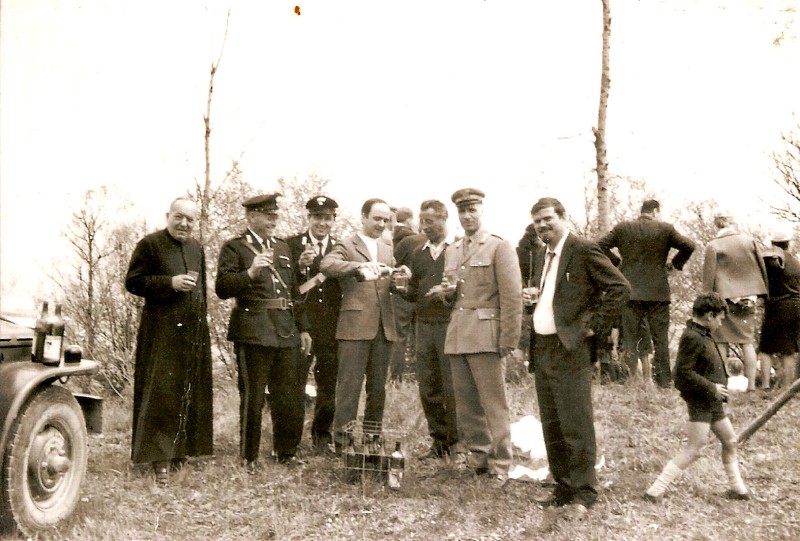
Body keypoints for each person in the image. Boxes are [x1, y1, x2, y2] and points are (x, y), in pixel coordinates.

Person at [527, 197, 629, 510]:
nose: (542, 226)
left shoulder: (583, 249)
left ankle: (585, 492)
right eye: (537, 222)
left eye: (547, 219)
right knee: (552, 421)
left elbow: (620, 288)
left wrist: (592, 326)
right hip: (543, 348)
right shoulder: (544, 255)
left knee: (575, 422)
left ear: (562, 217)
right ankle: (563, 487)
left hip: (570, 349)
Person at [215, 193, 312, 469]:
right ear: (252, 217)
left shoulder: (282, 247)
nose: (274, 221)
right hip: (253, 330)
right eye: (268, 216)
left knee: (290, 394)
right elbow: (222, 288)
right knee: (254, 396)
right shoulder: (235, 248)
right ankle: (249, 457)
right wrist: (250, 273)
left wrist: (303, 328)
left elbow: (294, 291)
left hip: (285, 329)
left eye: (275, 216)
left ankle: (286, 453)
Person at [125, 196, 213, 485]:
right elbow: (133, 282)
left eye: (190, 219)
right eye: (179, 217)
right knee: (162, 393)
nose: (184, 223)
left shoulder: (197, 248)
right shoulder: (150, 244)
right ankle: (159, 459)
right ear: (168, 216)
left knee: (188, 391)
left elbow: (201, 290)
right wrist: (169, 283)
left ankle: (180, 452)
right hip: (161, 332)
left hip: (192, 332)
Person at [439, 188, 522, 484]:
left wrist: (508, 339)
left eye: (472, 210)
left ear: (482, 210)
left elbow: (512, 297)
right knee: (467, 404)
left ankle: (501, 463)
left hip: (487, 333)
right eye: (462, 211)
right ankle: (478, 457)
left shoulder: (499, 246)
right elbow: (452, 295)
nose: (467, 216)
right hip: (459, 332)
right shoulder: (453, 249)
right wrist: (447, 295)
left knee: (493, 403)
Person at [644, 292, 750, 502]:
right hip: (701, 402)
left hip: (713, 403)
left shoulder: (704, 334)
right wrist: (712, 388)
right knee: (694, 450)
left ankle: (739, 490)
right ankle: (654, 492)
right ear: (710, 315)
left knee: (730, 441)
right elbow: (681, 374)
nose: (721, 323)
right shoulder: (692, 337)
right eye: (720, 318)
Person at [320, 198, 403, 449]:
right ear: (363, 217)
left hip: (383, 326)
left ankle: (372, 440)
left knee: (378, 389)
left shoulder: (388, 247)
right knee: (349, 388)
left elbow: (389, 281)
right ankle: (342, 442)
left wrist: (400, 275)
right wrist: (359, 266)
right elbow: (327, 265)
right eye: (376, 218)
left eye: (385, 220)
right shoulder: (347, 243)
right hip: (354, 326)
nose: (381, 224)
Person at [598, 199, 696, 387]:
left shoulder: (623, 228)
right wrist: (674, 264)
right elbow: (689, 246)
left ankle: (629, 381)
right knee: (660, 339)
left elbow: (598, 246)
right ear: (656, 211)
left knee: (630, 338)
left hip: (630, 291)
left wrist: (618, 263)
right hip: (658, 293)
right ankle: (665, 382)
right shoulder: (665, 229)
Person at [398, 199, 458, 459]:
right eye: (422, 221)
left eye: (430, 221)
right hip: (423, 326)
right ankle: (439, 443)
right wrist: (401, 288)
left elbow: (467, 289)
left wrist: (449, 293)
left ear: (444, 219)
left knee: (452, 386)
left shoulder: (458, 249)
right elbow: (413, 293)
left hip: (450, 325)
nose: (424, 227)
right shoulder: (418, 252)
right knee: (428, 386)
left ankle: (458, 445)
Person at [286, 195, 342, 455]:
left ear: (333, 220)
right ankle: (291, 440)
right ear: (308, 218)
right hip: (301, 325)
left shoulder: (341, 248)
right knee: (295, 382)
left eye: (327, 218)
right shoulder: (291, 245)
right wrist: (299, 267)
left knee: (328, 384)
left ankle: (322, 437)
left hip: (331, 327)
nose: (322, 223)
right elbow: (285, 284)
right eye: (317, 217)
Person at [702, 214, 768, 391]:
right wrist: (761, 294)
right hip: (749, 299)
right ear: (733, 223)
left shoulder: (713, 245)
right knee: (747, 342)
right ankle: (752, 385)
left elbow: (708, 277)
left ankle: (721, 385)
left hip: (723, 300)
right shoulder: (749, 241)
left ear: (717, 226)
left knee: (721, 342)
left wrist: (706, 299)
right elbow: (761, 267)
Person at [758, 225, 800, 389]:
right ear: (788, 243)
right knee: (789, 349)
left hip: (777, 306)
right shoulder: (796, 263)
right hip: (796, 306)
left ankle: (766, 385)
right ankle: (787, 388)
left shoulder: (772, 261)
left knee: (766, 348)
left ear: (773, 243)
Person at [388, 207, 425, 382]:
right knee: (421, 338)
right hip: (420, 294)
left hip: (401, 295)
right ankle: (422, 377)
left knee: (398, 339)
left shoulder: (394, 240)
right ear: (410, 221)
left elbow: (391, 266)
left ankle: (395, 379)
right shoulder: (421, 239)